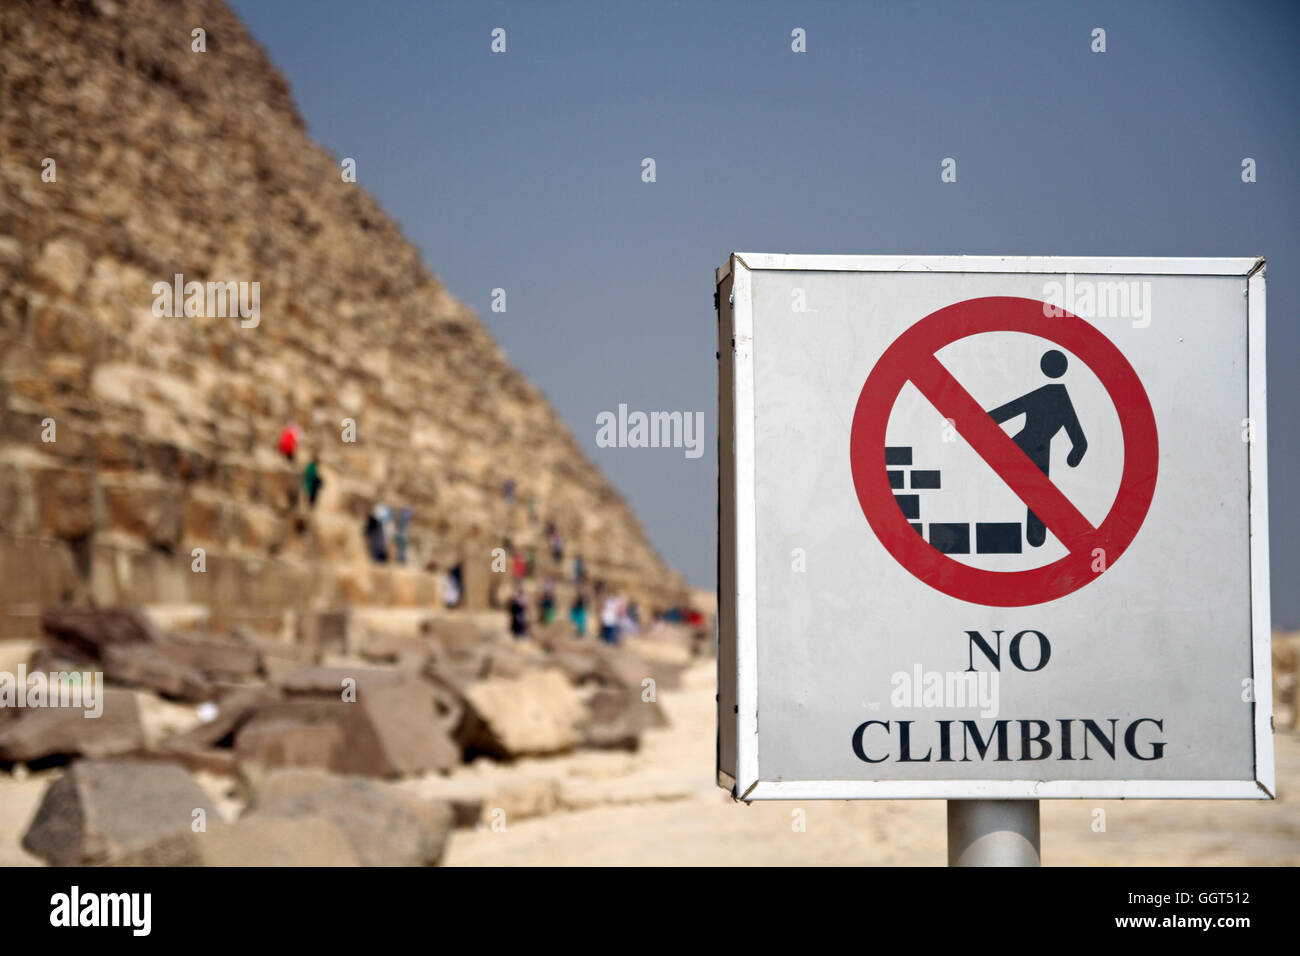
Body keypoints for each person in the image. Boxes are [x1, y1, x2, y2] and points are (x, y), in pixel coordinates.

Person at [987, 350, 1088, 547]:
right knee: (1037, 494)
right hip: (1028, 450)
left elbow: (1001, 414)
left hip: (1022, 448)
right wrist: (1073, 457)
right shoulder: (1060, 399)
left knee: (1037, 495)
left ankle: (1034, 537)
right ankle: (1033, 537)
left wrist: (979, 422)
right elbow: (1080, 441)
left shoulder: (1042, 395)